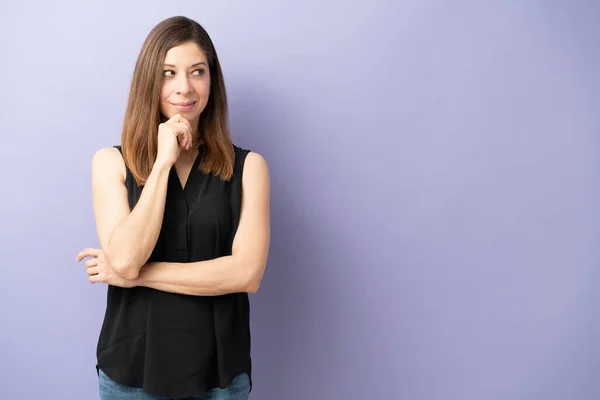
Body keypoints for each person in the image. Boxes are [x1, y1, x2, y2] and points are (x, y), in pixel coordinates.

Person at [75, 15, 270, 400]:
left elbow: (246, 274)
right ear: (149, 79)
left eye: (197, 71)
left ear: (212, 80)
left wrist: (135, 276)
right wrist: (162, 162)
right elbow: (128, 257)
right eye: (168, 72)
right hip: (132, 371)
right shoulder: (110, 163)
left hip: (220, 376)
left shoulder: (250, 167)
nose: (184, 87)